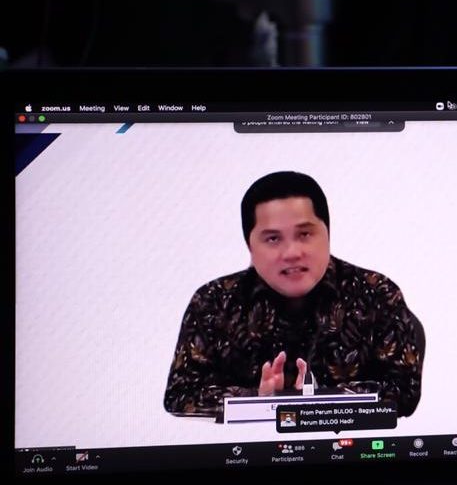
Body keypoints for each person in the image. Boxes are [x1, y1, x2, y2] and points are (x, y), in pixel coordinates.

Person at [163, 171, 425, 419]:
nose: (291, 253)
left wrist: (320, 398)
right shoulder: (213, 301)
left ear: (327, 234)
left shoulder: (376, 293)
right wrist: (258, 400)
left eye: (304, 234)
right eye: (273, 239)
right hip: (245, 447)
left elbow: (404, 391)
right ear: (250, 246)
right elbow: (179, 396)